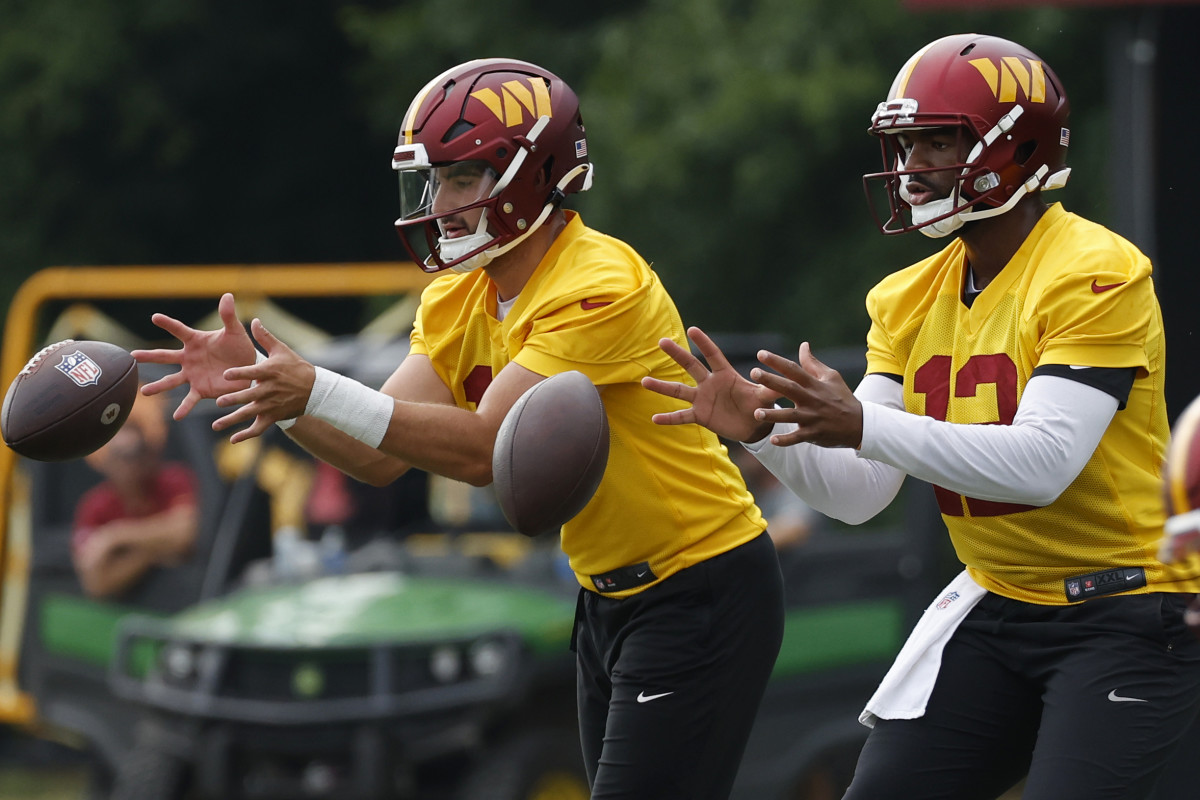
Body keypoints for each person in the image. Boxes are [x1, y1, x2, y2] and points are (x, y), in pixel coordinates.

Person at [132, 58, 783, 799]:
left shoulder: (602, 282)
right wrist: (280, 396)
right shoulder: (458, 297)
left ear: (532, 176)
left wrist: (316, 385)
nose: (439, 201)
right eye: (434, 180)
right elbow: (376, 455)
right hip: (605, 595)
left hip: (698, 582)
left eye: (462, 178)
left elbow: (485, 452)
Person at [643, 33, 1200, 799]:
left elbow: (1042, 465)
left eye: (937, 142)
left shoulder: (1096, 271)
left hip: (1130, 605)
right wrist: (765, 431)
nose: (911, 170)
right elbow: (861, 492)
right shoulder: (905, 297)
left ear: (1019, 146)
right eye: (905, 146)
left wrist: (864, 425)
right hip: (1001, 595)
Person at [72, 392, 199, 600]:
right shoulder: (95, 505)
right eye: (122, 457)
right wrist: (153, 550)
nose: (130, 465)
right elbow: (96, 582)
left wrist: (115, 536)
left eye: (137, 453)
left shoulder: (174, 479)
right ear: (107, 461)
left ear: (149, 454)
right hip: (125, 608)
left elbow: (186, 533)